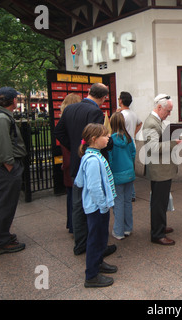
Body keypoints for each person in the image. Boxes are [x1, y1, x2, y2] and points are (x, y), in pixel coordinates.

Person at [54, 83, 116, 256]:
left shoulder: (69, 109)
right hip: (91, 164)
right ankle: (97, 247)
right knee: (95, 206)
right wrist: (109, 142)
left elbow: (58, 132)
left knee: (77, 206)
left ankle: (80, 244)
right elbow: (97, 139)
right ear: (104, 99)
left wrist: (75, 148)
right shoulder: (95, 112)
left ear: (88, 92)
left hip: (76, 164)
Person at [74, 123, 117, 288]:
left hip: (100, 207)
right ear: (94, 139)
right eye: (105, 136)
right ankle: (91, 275)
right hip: (97, 208)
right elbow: (93, 187)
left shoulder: (94, 155)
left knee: (101, 237)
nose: (108, 138)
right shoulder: (92, 160)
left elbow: (79, 180)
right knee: (95, 239)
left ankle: (99, 263)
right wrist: (102, 205)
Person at [0, 87, 27, 254]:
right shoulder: (1, 119)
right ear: (13, 101)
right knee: (5, 204)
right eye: (17, 98)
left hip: (6, 167)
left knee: (7, 203)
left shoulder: (1, 116)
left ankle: (2, 235)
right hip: (6, 168)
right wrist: (10, 166)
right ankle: (1, 241)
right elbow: (2, 146)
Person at [142, 94, 182, 245]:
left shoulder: (156, 121)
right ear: (159, 107)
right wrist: (174, 143)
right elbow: (152, 148)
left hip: (162, 170)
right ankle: (157, 234)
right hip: (159, 171)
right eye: (168, 111)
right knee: (159, 203)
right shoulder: (151, 123)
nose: (169, 114)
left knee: (161, 201)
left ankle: (160, 227)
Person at [109, 112, 136, 240]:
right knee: (127, 202)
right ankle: (127, 228)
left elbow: (110, 158)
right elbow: (133, 154)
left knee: (118, 203)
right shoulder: (129, 138)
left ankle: (118, 231)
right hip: (129, 173)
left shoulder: (110, 140)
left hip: (116, 175)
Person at [59, 93, 82, 233]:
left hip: (67, 163)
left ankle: (71, 224)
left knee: (71, 196)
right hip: (73, 162)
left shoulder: (63, 121)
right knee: (76, 198)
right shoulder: (74, 123)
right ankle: (75, 226)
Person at [117, 91, 141, 202]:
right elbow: (140, 123)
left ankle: (129, 193)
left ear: (121, 100)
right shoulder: (133, 113)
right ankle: (132, 193)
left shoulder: (121, 115)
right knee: (130, 168)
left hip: (122, 145)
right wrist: (134, 134)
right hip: (132, 143)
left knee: (123, 170)